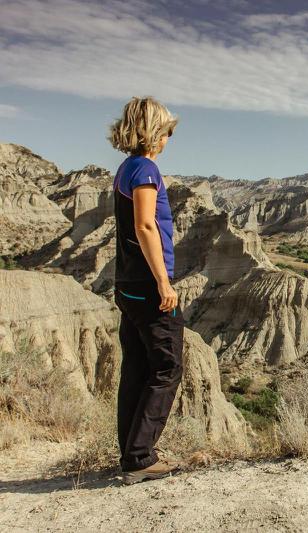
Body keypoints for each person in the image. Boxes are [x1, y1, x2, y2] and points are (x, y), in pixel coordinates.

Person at [108, 96, 183, 485]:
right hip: (146, 285)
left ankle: (131, 452)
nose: (169, 138)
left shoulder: (125, 168)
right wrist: (163, 282)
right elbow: (145, 226)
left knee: (137, 366)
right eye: (167, 131)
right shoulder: (146, 170)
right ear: (154, 131)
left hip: (127, 283)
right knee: (168, 366)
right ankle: (140, 457)